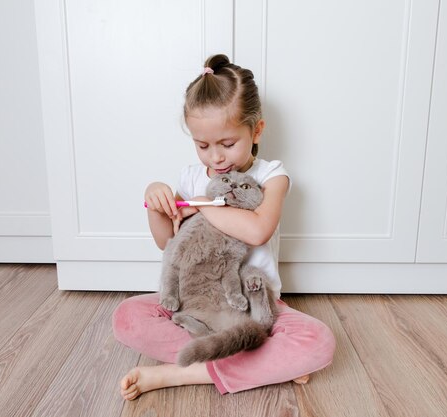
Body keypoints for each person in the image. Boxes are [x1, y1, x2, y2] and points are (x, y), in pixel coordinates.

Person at [112, 54, 336, 400]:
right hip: (196, 303)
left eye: (227, 144)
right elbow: (167, 242)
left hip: (254, 307)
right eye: (202, 146)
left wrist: (200, 204)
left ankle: (182, 373)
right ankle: (262, 363)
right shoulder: (190, 177)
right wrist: (155, 202)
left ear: (256, 130)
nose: (215, 158)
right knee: (126, 316)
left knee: (318, 341)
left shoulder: (272, 176)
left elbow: (258, 230)